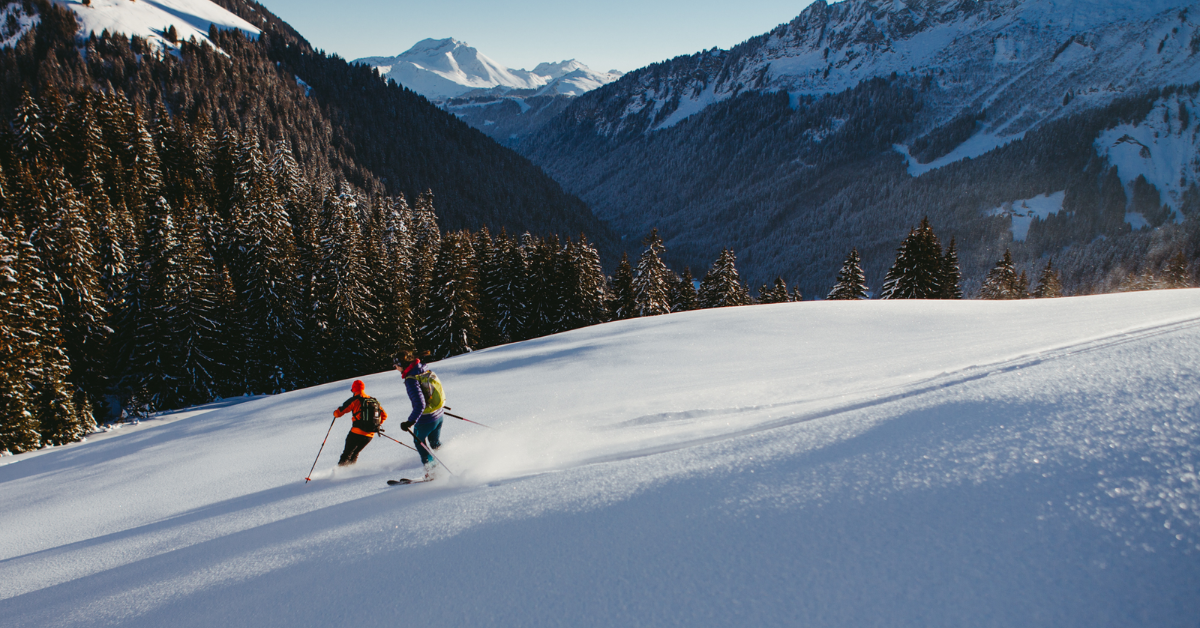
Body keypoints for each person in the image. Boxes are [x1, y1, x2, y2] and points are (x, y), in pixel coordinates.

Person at [394, 351, 445, 480]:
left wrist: (409, 422)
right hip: (439, 414)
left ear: (402, 364)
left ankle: (433, 474)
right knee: (435, 443)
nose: (395, 367)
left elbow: (420, 404)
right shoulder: (423, 369)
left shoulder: (411, 379)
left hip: (426, 419)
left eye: (395, 364)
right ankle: (449, 461)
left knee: (419, 443)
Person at [333, 379, 387, 466]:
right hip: (370, 435)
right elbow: (384, 415)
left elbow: (338, 414)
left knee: (346, 454)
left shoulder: (354, 400)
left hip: (357, 432)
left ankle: (338, 475)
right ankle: (350, 472)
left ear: (353, 389)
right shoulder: (373, 400)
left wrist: (335, 412)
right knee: (355, 453)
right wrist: (374, 424)